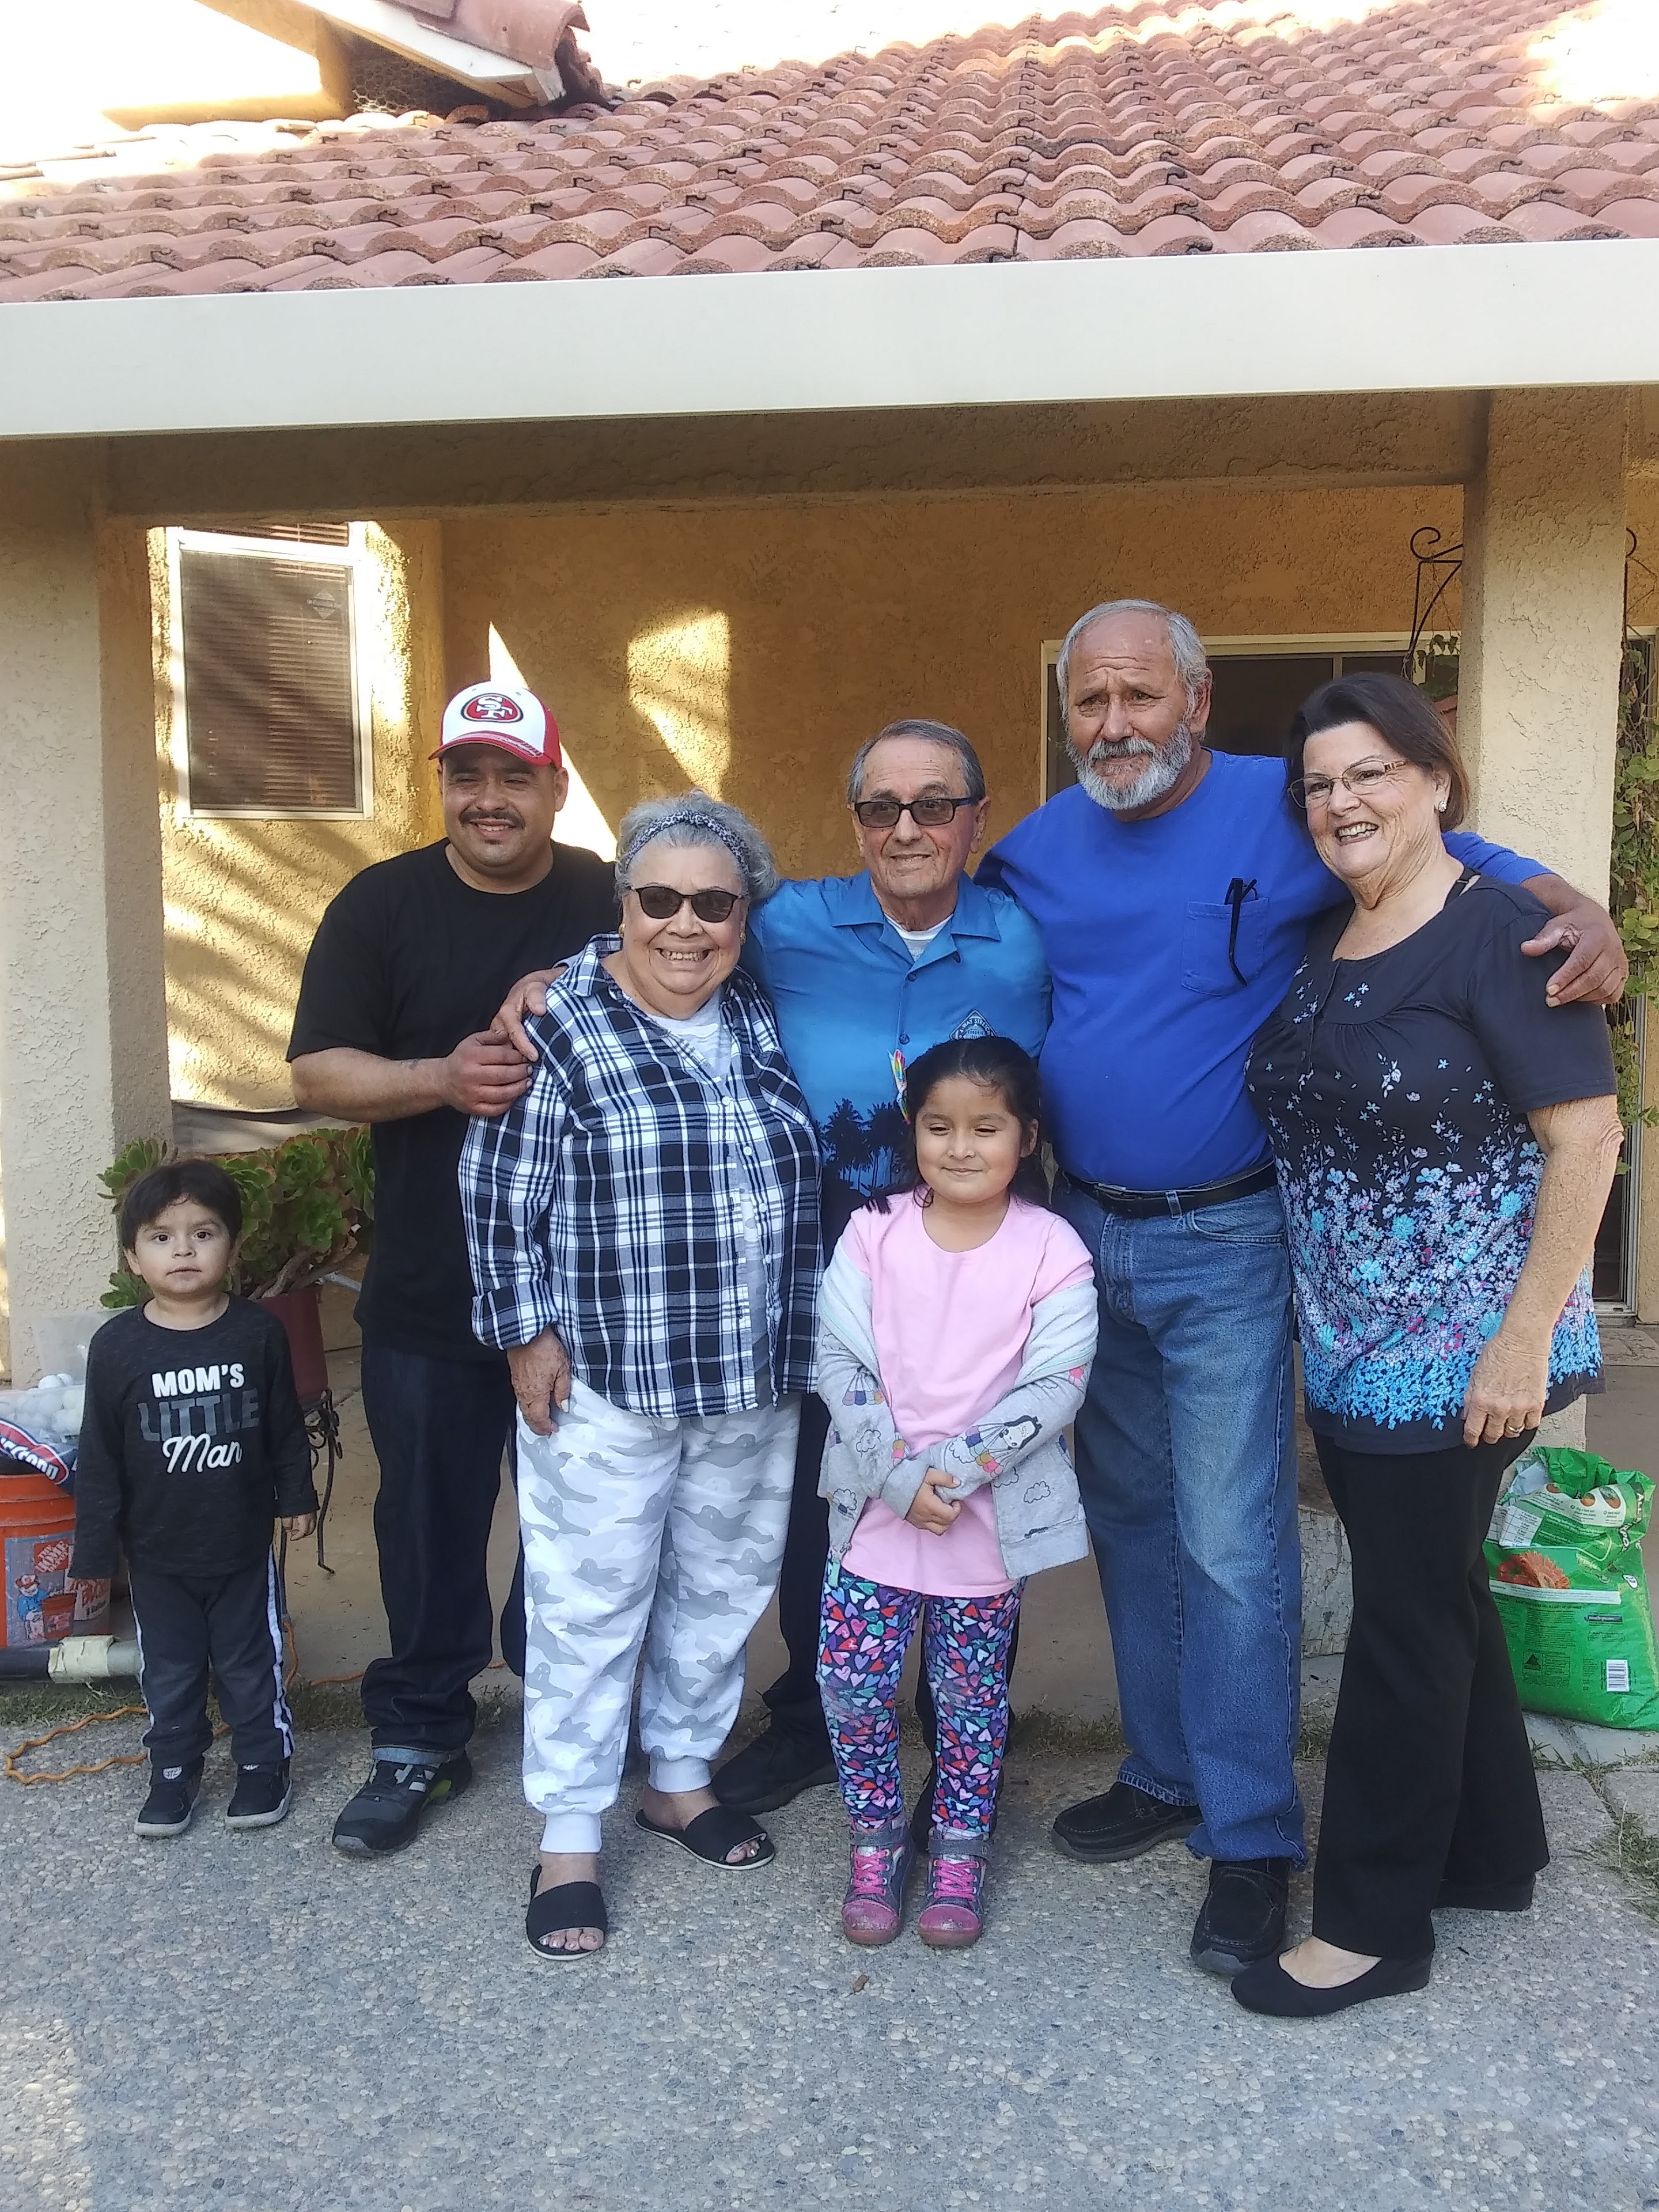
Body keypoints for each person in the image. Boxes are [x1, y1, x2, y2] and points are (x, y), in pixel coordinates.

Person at [977, 599, 1628, 1978]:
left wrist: (1591, 918)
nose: (1112, 725)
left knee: (1229, 1547)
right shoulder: (1030, 850)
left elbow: (1482, 873)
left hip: (1232, 1243)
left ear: (1197, 701)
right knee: (1138, 1529)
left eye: (1139, 696)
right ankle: (1168, 1772)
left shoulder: (1301, 800)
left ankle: (1254, 1834)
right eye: (1086, 699)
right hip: (1089, 1236)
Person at [496, 721, 1050, 1832]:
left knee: (971, 1496)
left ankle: (960, 1747)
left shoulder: (1031, 932)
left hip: (979, 1274)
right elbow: (656, 932)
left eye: (935, 805)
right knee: (808, 1513)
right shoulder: (786, 919)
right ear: (853, 822)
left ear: (975, 821)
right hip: (820, 1271)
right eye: (883, 806)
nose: (908, 828)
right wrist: (543, 983)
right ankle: (810, 1721)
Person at [1233, 673, 1621, 2017]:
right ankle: (1493, 1849)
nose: (1341, 802)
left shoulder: (1503, 934)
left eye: (1369, 773)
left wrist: (1520, 1342)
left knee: (1401, 1615)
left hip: (1462, 1350)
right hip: (1347, 1340)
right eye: (1318, 784)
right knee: (1436, 1585)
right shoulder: (1329, 938)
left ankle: (1373, 1918)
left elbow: (1587, 1136)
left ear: (1436, 781)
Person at [459, 794, 821, 1960]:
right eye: (657, 898)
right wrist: (525, 1332)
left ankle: (676, 1777)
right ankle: (568, 1832)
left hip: (750, 1373)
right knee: (588, 1598)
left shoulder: (756, 1013)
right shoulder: (562, 1016)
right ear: (621, 904)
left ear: (742, 919)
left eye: (713, 904)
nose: (683, 925)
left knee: (720, 1588)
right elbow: (498, 1191)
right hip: (606, 1374)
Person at [287, 682, 616, 1858]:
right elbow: (316, 1072)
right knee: (427, 1526)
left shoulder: (608, 898)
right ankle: (421, 1733)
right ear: (445, 787)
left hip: (584, 1296)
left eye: (512, 775)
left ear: (554, 786)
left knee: (580, 1525)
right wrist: (436, 1078)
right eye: (465, 776)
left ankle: (566, 1721)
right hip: (431, 1287)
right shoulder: (382, 905)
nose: (488, 799)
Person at [815, 1036, 1095, 1950]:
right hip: (877, 1517)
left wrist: (954, 1474)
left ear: (1028, 1137)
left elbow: (1057, 1384)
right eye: (939, 1127)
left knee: (968, 1704)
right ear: (915, 1133)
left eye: (986, 1127)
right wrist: (899, 1477)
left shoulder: (1051, 1247)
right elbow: (840, 1360)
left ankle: (961, 1852)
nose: (961, 1146)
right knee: (853, 1686)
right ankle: (875, 1841)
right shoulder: (874, 1233)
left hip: (982, 1529)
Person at [69, 1159, 317, 1838]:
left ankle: (263, 1764)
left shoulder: (256, 1333)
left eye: (202, 1233)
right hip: (155, 1555)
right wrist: (96, 1551)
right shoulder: (117, 1347)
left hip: (240, 1546)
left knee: (248, 1661)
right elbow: (100, 1454)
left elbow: (283, 1427)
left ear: (231, 1247)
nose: (182, 1249)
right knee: (171, 1669)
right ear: (132, 1256)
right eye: (160, 1236)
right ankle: (174, 1770)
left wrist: (297, 1497)